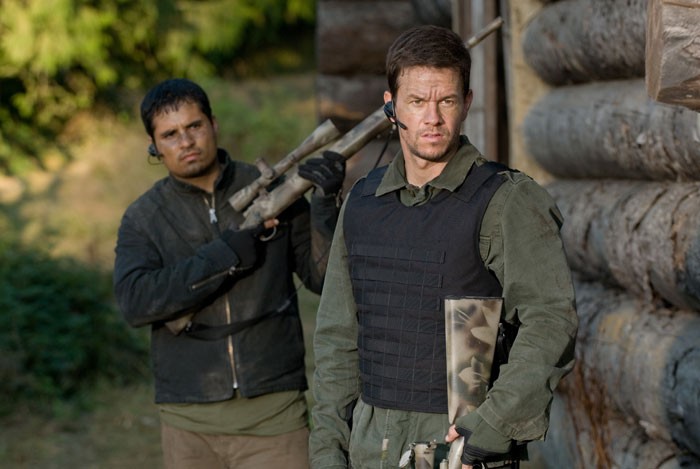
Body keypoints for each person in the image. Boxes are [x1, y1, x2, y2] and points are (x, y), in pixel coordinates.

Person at [308, 25, 578, 469]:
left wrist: (491, 426)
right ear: (392, 106)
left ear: (466, 103)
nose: (432, 118)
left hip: (459, 447)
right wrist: (327, 451)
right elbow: (337, 337)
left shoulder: (507, 200)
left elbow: (551, 319)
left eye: (446, 101)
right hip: (368, 445)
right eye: (417, 102)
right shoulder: (362, 202)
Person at [113, 78, 345, 469]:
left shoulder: (273, 191)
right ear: (154, 146)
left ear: (213, 124)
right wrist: (224, 256)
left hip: (275, 414)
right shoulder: (143, 217)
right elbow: (135, 302)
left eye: (194, 126)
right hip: (188, 422)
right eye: (170, 134)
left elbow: (323, 278)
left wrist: (324, 206)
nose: (186, 141)